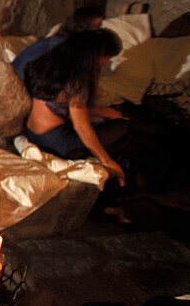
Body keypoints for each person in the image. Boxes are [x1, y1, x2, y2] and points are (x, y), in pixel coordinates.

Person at [23, 29, 130, 219]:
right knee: (123, 130)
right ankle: (111, 203)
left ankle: (114, 201)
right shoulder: (77, 79)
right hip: (59, 143)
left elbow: (63, 106)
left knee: (118, 133)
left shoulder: (51, 65)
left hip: (35, 134)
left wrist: (102, 111)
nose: (103, 65)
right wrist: (106, 160)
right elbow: (81, 126)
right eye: (103, 61)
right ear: (94, 56)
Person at [12, 5, 105, 82]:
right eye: (95, 27)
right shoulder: (62, 48)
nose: (98, 33)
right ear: (82, 28)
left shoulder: (55, 42)